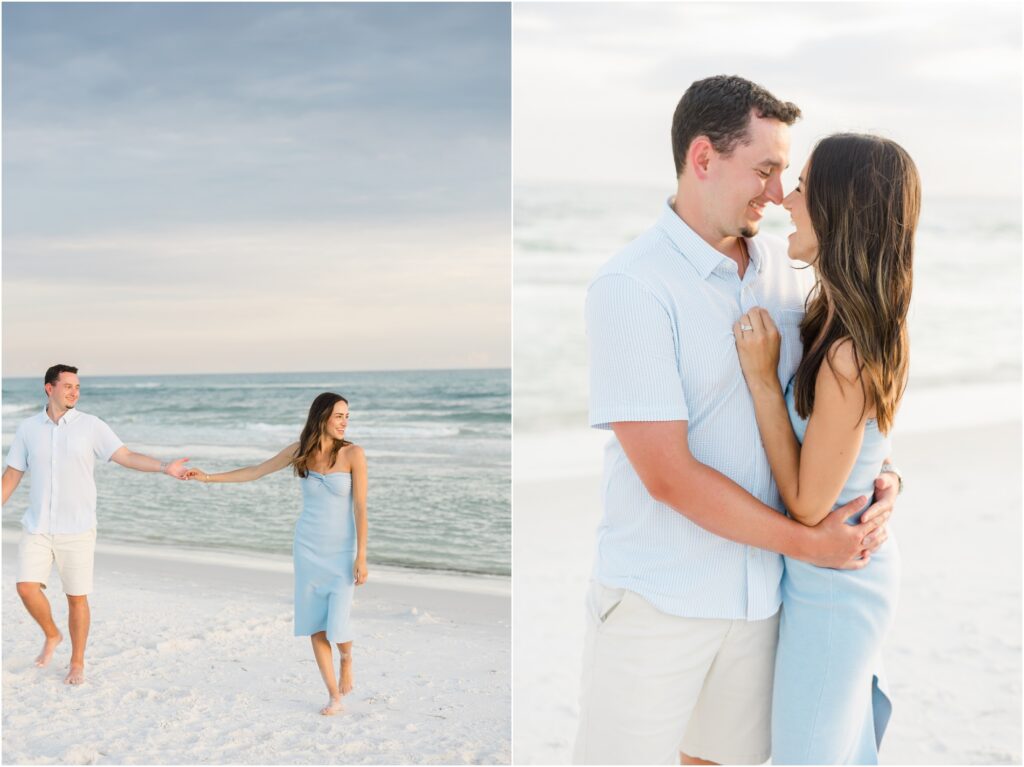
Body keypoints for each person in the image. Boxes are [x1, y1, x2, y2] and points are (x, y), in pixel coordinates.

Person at [575, 76, 902, 765]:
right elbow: (667, 476)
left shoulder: (788, 271)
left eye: (786, 172)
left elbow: (838, 401)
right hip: (662, 598)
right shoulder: (632, 287)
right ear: (703, 158)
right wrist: (810, 544)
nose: (778, 192)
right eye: (765, 169)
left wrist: (882, 476)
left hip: (764, 603)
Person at [734, 134, 919, 763]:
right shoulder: (847, 323)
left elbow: (809, 506)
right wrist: (891, 477)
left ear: (842, 209)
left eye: (804, 187)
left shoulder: (845, 351)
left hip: (836, 587)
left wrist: (763, 381)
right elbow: (867, 447)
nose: (786, 199)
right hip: (835, 574)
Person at [1, 364, 190, 685]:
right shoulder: (28, 429)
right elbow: (11, 476)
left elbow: (126, 456)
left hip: (77, 528)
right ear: (49, 388)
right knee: (25, 587)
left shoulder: (91, 426)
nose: (74, 392)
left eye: (77, 387)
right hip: (37, 526)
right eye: (68, 386)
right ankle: (52, 634)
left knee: (76, 597)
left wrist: (164, 467)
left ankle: (77, 662)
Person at [184, 392, 368, 716]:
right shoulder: (301, 451)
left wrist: (361, 555)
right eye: (339, 416)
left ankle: (347, 657)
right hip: (308, 548)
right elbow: (256, 471)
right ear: (322, 416)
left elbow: (361, 507)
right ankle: (333, 696)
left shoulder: (354, 454)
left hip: (341, 551)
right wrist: (208, 477)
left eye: (347, 417)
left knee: (338, 622)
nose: (344, 422)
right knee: (316, 623)